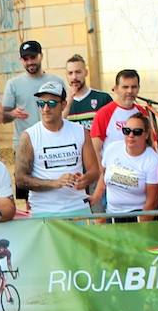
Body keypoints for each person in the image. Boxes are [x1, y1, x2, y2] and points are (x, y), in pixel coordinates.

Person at [94, 111, 158, 311]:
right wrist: (97, 202)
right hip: (114, 216)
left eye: (136, 132)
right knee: (116, 271)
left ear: (146, 135)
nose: (130, 136)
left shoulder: (151, 159)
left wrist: (141, 230)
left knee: (144, 272)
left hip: (139, 217)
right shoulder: (112, 149)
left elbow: (152, 199)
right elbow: (104, 177)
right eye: (126, 131)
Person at [16, 81, 99, 217]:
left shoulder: (80, 131)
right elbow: (21, 179)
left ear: (64, 105)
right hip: (44, 211)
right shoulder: (29, 136)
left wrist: (85, 179)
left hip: (77, 207)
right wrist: (55, 183)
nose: (46, 109)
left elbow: (94, 171)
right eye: (41, 104)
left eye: (52, 103)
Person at [3, 41, 66, 146]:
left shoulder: (57, 81)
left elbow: (65, 109)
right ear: (20, 60)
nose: (29, 62)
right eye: (25, 59)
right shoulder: (13, 84)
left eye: (33, 57)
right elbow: (3, 117)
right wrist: (12, 114)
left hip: (53, 142)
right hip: (24, 144)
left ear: (41, 56)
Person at [90, 69, 156, 158]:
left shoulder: (143, 113)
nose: (130, 91)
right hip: (113, 169)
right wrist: (101, 171)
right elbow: (95, 149)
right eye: (125, 87)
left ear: (138, 88)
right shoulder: (103, 113)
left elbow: (150, 144)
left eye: (134, 87)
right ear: (116, 89)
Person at [65, 54, 113, 124]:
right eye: (70, 73)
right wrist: (68, 104)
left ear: (86, 72)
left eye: (78, 72)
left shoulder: (103, 98)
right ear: (66, 75)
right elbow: (55, 128)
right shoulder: (59, 102)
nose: (74, 77)